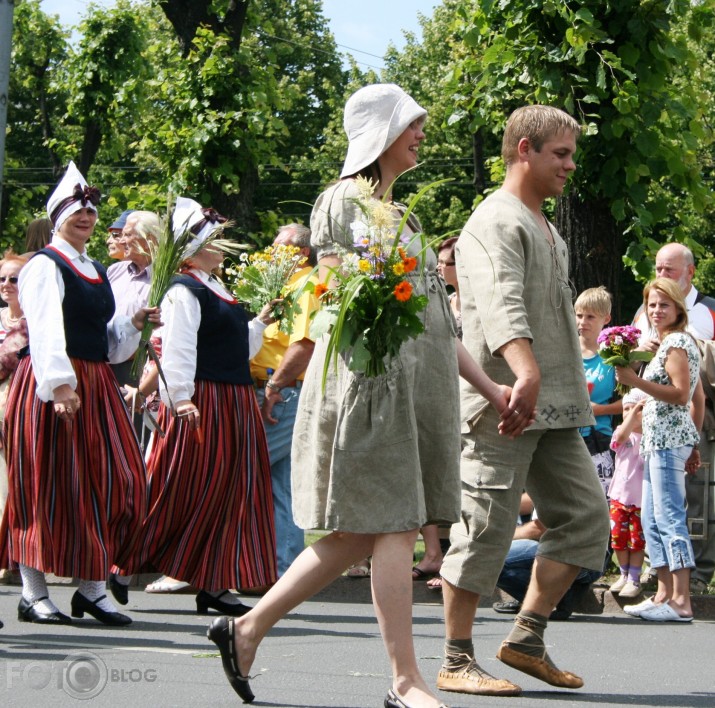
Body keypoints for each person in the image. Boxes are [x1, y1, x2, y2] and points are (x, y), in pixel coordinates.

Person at [207, 83, 526, 708]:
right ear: (380, 131)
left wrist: (489, 385)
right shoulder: (341, 201)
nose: (421, 135)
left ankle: (244, 628)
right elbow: (338, 295)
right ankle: (406, 681)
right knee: (393, 527)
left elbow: (437, 323)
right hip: (370, 385)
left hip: (411, 392)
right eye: (412, 124)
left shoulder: (403, 216)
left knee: (356, 535)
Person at [438, 105, 610, 696]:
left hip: (553, 404)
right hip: (505, 402)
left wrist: (546, 382)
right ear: (525, 151)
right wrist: (525, 373)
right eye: (560, 154)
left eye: (571, 155)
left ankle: (527, 637)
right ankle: (456, 659)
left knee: (587, 517)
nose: (569, 165)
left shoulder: (547, 225)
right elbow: (500, 301)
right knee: (485, 527)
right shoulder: (494, 220)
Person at [0, 161, 159, 626]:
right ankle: (34, 593)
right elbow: (46, 328)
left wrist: (131, 325)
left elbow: (103, 337)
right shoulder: (44, 266)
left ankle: (91, 589)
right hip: (55, 384)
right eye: (75, 210)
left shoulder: (92, 266)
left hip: (95, 382)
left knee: (116, 482)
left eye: (90, 210)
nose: (86, 217)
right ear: (56, 217)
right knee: (47, 486)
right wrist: (61, 385)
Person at [131, 196, 278, 617]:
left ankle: (215, 582)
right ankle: (126, 560)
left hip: (233, 399)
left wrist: (260, 323)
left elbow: (237, 349)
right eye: (213, 239)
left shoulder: (218, 287)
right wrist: (181, 399)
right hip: (204, 399)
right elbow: (177, 347)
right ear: (193, 248)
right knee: (179, 484)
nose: (221, 245)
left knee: (232, 492)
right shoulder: (184, 289)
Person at [616, 278, 701, 621]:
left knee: (668, 517)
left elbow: (683, 395)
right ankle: (664, 593)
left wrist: (634, 381)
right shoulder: (665, 343)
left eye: (664, 304)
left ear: (678, 307)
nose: (656, 310)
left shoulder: (678, 341)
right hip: (656, 441)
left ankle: (682, 600)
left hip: (667, 441)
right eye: (651, 304)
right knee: (651, 519)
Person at [633, 242, 715, 594]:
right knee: (654, 513)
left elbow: (690, 390)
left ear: (690, 272)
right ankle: (662, 582)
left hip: (698, 418)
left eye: (670, 269)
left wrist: (684, 347)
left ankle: (693, 581)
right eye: (659, 268)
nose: (662, 275)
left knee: (691, 504)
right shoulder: (645, 312)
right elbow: (630, 360)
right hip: (651, 422)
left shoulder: (708, 310)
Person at [250, 223, 319, 579]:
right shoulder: (284, 286)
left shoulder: (306, 286)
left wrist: (274, 387)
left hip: (283, 392)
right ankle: (281, 571)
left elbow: (304, 344)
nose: (272, 252)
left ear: (302, 253)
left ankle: (256, 566)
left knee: (244, 466)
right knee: (281, 484)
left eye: (280, 247)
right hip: (282, 389)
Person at [414, 236, 461, 587]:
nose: (441, 268)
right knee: (428, 473)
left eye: (447, 263)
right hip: (437, 395)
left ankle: (458, 560)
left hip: (469, 397)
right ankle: (434, 553)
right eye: (439, 262)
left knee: (466, 485)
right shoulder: (443, 300)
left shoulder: (477, 304)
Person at [492, 494, 603, 620]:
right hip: (595, 559)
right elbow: (529, 500)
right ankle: (541, 596)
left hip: (575, 558)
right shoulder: (579, 478)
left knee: (492, 558)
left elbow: (539, 529)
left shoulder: (554, 482)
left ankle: (552, 598)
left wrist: (499, 534)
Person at [0, 253, 29, 585]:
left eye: (14, 279)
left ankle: (15, 556)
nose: (7, 285)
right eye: (2, 279)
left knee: (16, 486)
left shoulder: (34, 322)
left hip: (20, 408)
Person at [575, 286, 621, 496]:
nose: (583, 322)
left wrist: (599, 410)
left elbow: (631, 402)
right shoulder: (567, 353)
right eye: (579, 315)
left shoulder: (614, 357)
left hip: (599, 439)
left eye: (590, 317)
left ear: (606, 318)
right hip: (565, 437)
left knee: (597, 504)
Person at [607, 388, 647, 599]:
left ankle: (634, 578)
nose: (630, 413)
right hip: (619, 498)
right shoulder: (622, 434)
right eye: (626, 409)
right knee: (618, 539)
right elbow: (620, 436)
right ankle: (623, 574)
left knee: (637, 541)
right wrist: (633, 414)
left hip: (641, 500)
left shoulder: (650, 436)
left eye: (635, 409)